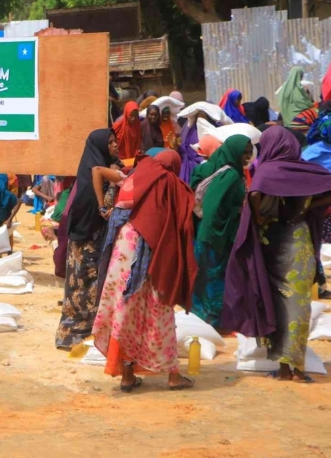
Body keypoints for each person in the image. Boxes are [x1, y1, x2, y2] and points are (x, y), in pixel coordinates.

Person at [225, 126, 331, 382]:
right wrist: (304, 210)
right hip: (299, 242)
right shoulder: (305, 171)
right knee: (298, 304)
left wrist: (260, 214)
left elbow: (256, 191)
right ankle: (295, 367)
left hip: (272, 245)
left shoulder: (268, 170)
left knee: (276, 304)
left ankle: (285, 368)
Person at [92, 150, 197, 392]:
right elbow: (178, 220)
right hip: (152, 252)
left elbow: (98, 175)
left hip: (123, 248)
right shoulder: (168, 182)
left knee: (125, 310)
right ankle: (173, 375)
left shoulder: (134, 176)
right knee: (160, 309)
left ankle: (127, 375)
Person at [57, 129, 119, 349]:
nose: (115, 145)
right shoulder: (91, 178)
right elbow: (93, 209)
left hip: (94, 241)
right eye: (110, 142)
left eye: (115, 141)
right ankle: (75, 335)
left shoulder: (107, 168)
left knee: (92, 287)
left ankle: (90, 334)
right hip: (85, 242)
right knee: (82, 288)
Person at [190, 134, 253, 329]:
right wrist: (240, 210)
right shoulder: (231, 175)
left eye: (250, 153)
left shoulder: (219, 166)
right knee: (215, 276)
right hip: (215, 235)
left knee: (204, 276)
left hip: (205, 232)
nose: (248, 157)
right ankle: (214, 321)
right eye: (244, 153)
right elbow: (214, 207)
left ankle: (200, 316)